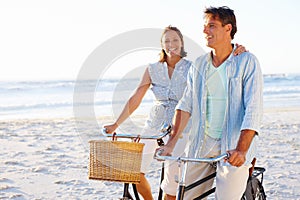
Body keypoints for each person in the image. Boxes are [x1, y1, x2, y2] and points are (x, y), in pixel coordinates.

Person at [103, 25, 247, 200]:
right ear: (162, 45)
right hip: (154, 125)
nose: (171, 44)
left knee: (172, 185)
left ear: (182, 43)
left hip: (182, 129)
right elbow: (136, 97)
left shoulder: (193, 67)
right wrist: (116, 124)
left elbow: (217, 78)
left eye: (175, 40)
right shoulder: (152, 69)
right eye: (167, 41)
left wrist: (235, 52)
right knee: (134, 171)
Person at [157, 6, 263, 200]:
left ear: (228, 29)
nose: (205, 31)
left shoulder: (246, 61)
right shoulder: (199, 64)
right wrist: (171, 143)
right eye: (205, 27)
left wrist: (241, 150)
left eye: (211, 26)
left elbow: (253, 109)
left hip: (232, 146)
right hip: (201, 144)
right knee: (185, 195)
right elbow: (184, 105)